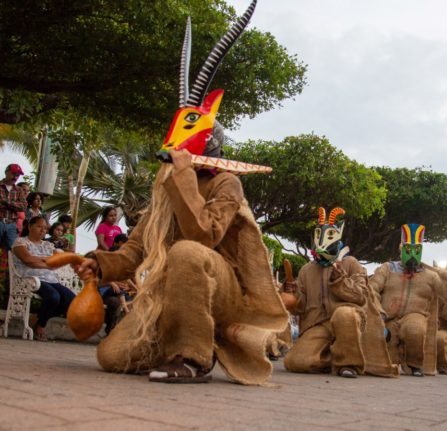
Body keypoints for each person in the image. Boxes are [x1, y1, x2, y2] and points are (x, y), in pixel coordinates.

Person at [73, 0, 287, 385]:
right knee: (112, 356)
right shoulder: (166, 186)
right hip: (175, 292)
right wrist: (100, 265)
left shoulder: (227, 183)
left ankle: (193, 359)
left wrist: (185, 179)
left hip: (222, 291)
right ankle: (174, 340)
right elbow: (137, 248)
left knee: (187, 251)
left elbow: (204, 236)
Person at [283, 207, 397, 378]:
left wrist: (339, 280)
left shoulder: (351, 263)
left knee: (343, 315)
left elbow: (359, 295)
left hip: (350, 318)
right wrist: (292, 295)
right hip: (318, 323)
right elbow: (300, 306)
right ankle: (332, 357)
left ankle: (349, 364)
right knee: (294, 362)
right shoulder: (307, 270)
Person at [369, 223, 441, 377]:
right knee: (386, 355)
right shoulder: (387, 269)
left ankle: (415, 365)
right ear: (400, 249)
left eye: (417, 250)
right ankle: (392, 361)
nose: (412, 253)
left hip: (415, 315)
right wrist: (378, 313)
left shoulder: (430, 276)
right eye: (408, 249)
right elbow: (372, 289)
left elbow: (446, 295)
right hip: (387, 317)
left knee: (415, 330)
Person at [12, 216, 75, 341]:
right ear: (30, 227)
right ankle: (41, 326)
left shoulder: (48, 245)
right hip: (30, 278)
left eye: (45, 228)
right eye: (39, 227)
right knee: (53, 297)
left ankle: (39, 318)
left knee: (72, 301)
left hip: (50, 278)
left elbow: (57, 261)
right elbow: (28, 260)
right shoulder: (20, 242)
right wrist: (46, 262)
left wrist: (38, 260)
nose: (43, 230)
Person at [0, 163, 27, 250]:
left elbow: (23, 206)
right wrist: (14, 204)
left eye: (17, 175)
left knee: (13, 252)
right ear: (6, 172)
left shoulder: (19, 190)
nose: (15, 177)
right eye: (13, 174)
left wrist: (4, 201)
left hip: (11, 224)